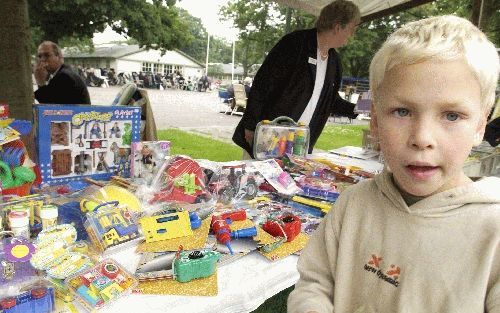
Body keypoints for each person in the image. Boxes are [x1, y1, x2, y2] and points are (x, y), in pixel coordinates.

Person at [287, 15, 499, 313]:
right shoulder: (352, 205)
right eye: (402, 111)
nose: (422, 138)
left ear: (480, 125)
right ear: (375, 120)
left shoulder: (494, 232)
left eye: (452, 115)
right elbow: (315, 283)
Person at [232, 0, 360, 158]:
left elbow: (330, 101)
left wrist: (361, 107)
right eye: (352, 29)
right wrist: (250, 126)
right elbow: (262, 84)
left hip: (298, 145)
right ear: (338, 26)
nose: (352, 35)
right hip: (268, 137)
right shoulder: (294, 44)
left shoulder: (334, 61)